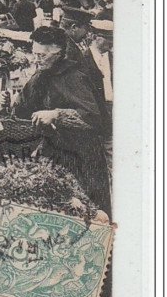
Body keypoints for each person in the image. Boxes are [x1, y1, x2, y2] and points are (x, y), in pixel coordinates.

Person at [6, 25, 111, 216]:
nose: (37, 60)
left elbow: (93, 118)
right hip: (55, 151)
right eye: (34, 54)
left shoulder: (75, 76)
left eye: (42, 55)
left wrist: (56, 114)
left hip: (82, 157)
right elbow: (24, 105)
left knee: (85, 212)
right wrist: (7, 102)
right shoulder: (42, 73)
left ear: (58, 53)